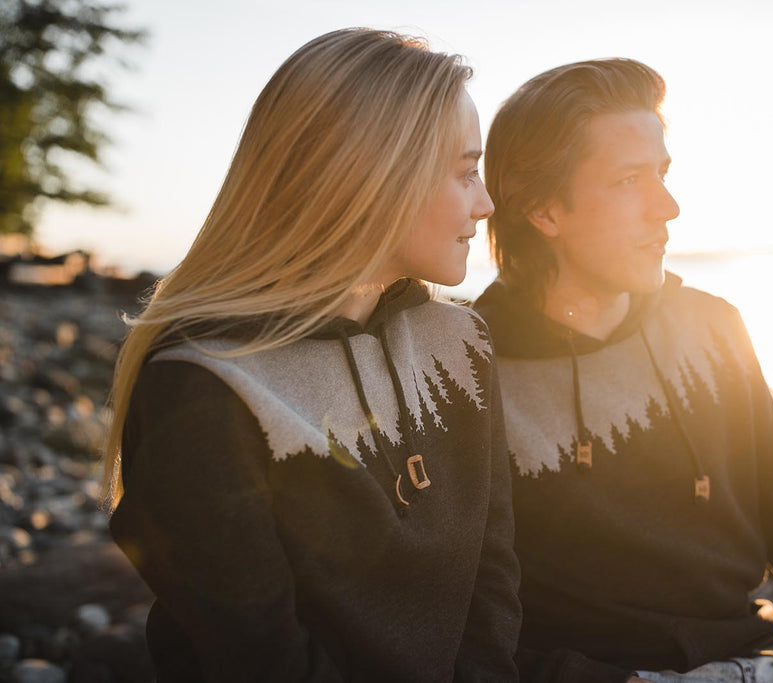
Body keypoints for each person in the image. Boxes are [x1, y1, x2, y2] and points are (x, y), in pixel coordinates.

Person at [474, 58, 773, 683]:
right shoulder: (467, 372)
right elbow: (464, 600)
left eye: (663, 174)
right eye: (630, 180)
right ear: (544, 211)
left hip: (753, 668)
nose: (667, 206)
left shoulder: (712, 327)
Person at [102, 29, 520, 682]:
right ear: (373, 176)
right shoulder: (204, 386)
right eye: (466, 172)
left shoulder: (461, 342)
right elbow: (259, 656)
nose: (487, 204)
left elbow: (492, 580)